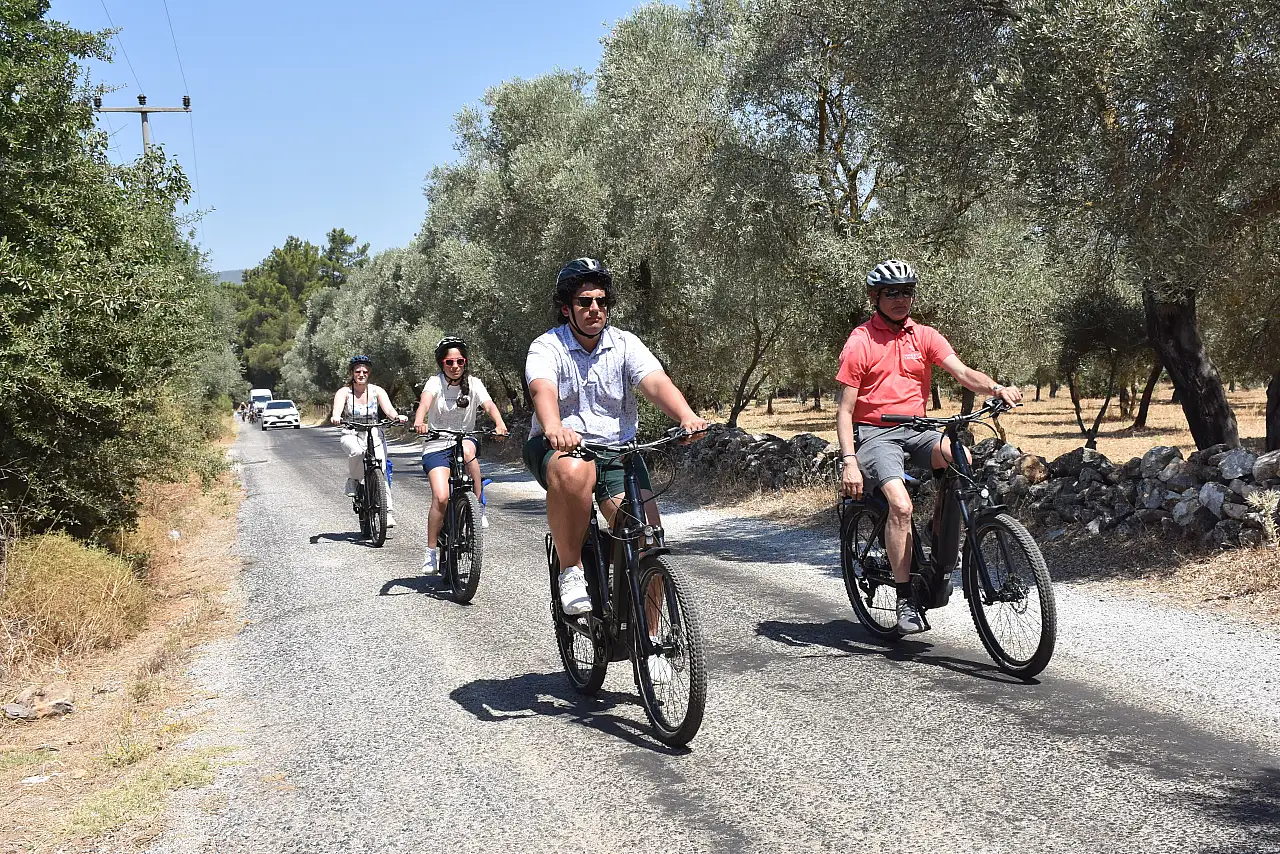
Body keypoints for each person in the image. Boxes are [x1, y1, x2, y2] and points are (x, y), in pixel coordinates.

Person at [524, 258, 708, 663]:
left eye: (601, 301)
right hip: (559, 448)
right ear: (566, 307)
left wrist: (686, 415)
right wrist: (554, 426)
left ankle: (651, 646)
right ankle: (570, 570)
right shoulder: (547, 346)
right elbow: (542, 390)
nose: (595, 309)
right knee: (574, 469)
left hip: (617, 450)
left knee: (647, 536)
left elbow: (655, 382)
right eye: (585, 301)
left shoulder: (624, 343)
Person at [834, 260, 1023, 634]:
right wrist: (849, 462)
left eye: (906, 292)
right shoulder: (860, 341)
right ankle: (905, 598)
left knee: (961, 457)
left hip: (918, 428)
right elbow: (845, 409)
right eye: (892, 293)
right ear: (875, 297)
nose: (901, 299)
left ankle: (940, 552)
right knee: (900, 506)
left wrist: (996, 388)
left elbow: (964, 373)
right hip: (875, 433)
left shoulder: (924, 335)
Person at [414, 336, 509, 574]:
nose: (455, 366)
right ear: (442, 363)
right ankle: (431, 552)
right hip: (437, 444)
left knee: (467, 449)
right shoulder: (434, 383)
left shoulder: (474, 383)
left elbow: (489, 405)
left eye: (460, 361)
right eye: (449, 362)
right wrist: (419, 420)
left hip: (465, 439)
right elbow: (425, 403)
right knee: (442, 497)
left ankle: (477, 505)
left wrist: (499, 423)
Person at [330, 355, 408, 528]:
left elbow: (388, 409)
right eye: (357, 371)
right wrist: (336, 417)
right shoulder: (345, 392)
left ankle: (387, 512)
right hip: (351, 432)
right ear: (351, 373)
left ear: (369, 373)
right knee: (357, 452)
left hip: (374, 432)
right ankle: (354, 481)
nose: (361, 374)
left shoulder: (376, 391)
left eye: (365, 371)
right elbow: (337, 409)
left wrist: (397, 417)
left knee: (381, 468)